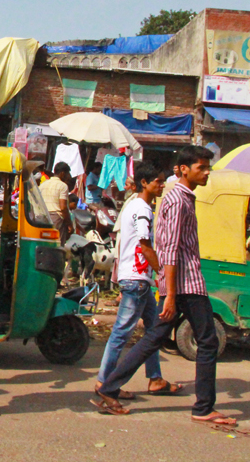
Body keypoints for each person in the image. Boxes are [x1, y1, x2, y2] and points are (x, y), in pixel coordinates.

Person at [92, 145, 236, 426]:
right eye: (201, 168)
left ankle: (110, 388)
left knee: (153, 339)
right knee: (207, 342)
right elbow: (168, 250)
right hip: (184, 284)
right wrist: (168, 294)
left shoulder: (179, 198)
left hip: (180, 282)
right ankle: (204, 408)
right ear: (183, 169)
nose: (206, 173)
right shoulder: (177, 200)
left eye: (208, 168)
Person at [96, 162, 183, 398]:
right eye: (158, 181)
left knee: (154, 331)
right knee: (121, 333)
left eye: (163, 180)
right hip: (137, 279)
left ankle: (155, 378)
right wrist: (163, 272)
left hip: (136, 277)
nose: (162, 185)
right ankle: (105, 382)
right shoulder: (142, 209)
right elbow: (145, 246)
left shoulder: (133, 205)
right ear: (144, 183)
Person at [40, 162, 73, 242]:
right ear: (62, 173)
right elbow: (63, 208)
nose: (69, 176)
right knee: (57, 245)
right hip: (56, 219)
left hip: (42, 218)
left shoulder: (43, 184)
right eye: (68, 173)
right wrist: (69, 224)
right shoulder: (63, 186)